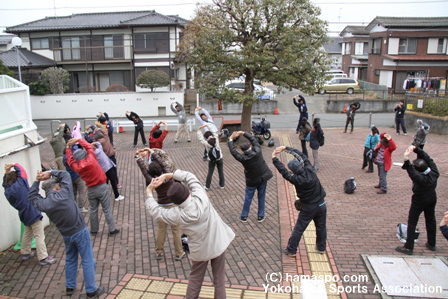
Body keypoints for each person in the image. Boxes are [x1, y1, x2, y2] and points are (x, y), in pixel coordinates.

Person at [145, 169, 235, 298]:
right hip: (217, 241)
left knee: (195, 279)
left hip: (200, 249)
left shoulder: (177, 214)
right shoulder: (200, 195)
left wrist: (149, 192)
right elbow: (190, 177)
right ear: (187, 191)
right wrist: (169, 175)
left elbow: (157, 212)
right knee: (219, 280)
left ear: (175, 202)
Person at [28, 169, 105, 298]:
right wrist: (51, 172)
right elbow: (65, 174)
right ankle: (91, 290)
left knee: (70, 258)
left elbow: (32, 196)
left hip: (65, 234)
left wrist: (36, 181)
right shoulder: (65, 193)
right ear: (56, 187)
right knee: (87, 260)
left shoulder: (44, 204)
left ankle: (70, 286)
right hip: (80, 231)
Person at [271, 146, 327, 256]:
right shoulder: (309, 169)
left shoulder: (296, 179)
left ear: (293, 171)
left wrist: (274, 158)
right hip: (321, 204)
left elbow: (283, 171)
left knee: (299, 228)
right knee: (321, 227)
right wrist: (286, 148)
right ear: (301, 165)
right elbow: (302, 156)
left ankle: (291, 249)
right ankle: (321, 248)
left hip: (308, 207)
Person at [135, 148, 184, 261]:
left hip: (161, 206)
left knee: (161, 230)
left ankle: (159, 252)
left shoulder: (152, 180)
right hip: (173, 205)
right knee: (176, 230)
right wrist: (150, 151)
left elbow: (143, 169)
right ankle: (179, 253)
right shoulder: (167, 175)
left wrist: (139, 157)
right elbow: (163, 163)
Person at [3, 163, 56, 266]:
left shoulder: (7, 191)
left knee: (27, 232)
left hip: (23, 213)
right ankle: (43, 257)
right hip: (32, 211)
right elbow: (22, 171)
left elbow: (5, 182)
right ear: (16, 178)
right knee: (39, 235)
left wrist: (6, 172)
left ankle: (25, 252)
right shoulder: (21, 183)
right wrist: (14, 164)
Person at [66, 138, 120, 236]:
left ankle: (94, 230)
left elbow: (70, 161)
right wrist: (78, 140)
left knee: (93, 210)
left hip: (90, 189)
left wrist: (68, 148)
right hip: (102, 186)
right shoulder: (91, 159)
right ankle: (112, 229)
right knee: (107, 209)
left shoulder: (76, 167)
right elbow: (88, 147)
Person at [396, 146, 439, 255]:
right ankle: (432, 243)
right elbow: (428, 159)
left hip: (419, 200)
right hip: (432, 197)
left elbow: (411, 171)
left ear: (418, 170)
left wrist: (406, 157)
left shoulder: (419, 179)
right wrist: (416, 149)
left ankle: (409, 247)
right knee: (431, 220)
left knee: (412, 222)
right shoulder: (434, 172)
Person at [228, 131, 273, 223]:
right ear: (251, 147)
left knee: (248, 197)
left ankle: (244, 216)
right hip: (263, 177)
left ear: (243, 151)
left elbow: (233, 151)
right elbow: (254, 140)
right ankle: (261, 216)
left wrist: (231, 139)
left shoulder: (243, 158)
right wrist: (244, 133)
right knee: (261, 196)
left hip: (252, 180)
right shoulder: (257, 150)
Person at [197, 125, 225, 191]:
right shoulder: (216, 139)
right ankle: (222, 185)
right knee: (221, 172)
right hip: (220, 158)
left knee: (210, 172)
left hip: (211, 160)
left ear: (206, 138)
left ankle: (207, 186)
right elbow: (214, 132)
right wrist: (208, 126)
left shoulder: (206, 143)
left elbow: (200, 138)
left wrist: (199, 129)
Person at [62, 146, 89, 213]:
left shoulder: (63, 158)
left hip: (70, 177)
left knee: (74, 192)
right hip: (77, 176)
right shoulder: (71, 157)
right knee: (81, 192)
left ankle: (74, 206)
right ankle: (81, 207)